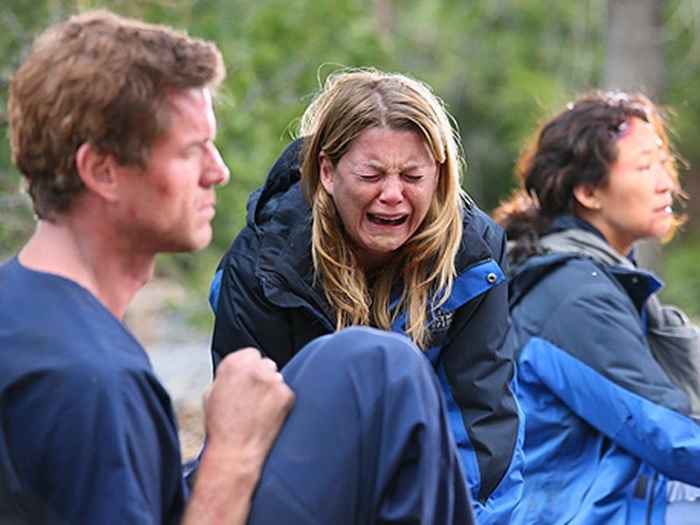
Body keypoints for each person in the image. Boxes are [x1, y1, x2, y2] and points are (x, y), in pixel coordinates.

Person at [1, 10, 475, 525]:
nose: (218, 171)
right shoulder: (91, 382)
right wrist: (231, 450)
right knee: (395, 374)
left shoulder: (25, 310)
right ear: (102, 171)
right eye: (190, 150)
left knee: (370, 362)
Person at [210, 68, 524, 523]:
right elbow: (253, 439)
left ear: (438, 176)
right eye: (371, 174)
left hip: (432, 491)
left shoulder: (473, 258)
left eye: (413, 176)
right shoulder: (262, 268)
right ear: (329, 172)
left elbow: (482, 429)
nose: (393, 195)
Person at [493, 91, 700, 524]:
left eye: (663, 161)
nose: (666, 181)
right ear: (588, 191)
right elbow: (673, 436)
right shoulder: (574, 293)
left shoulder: (598, 275)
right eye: (644, 167)